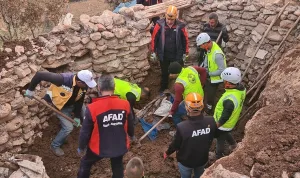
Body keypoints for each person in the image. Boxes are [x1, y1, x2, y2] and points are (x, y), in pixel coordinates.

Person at [24, 70, 97, 157]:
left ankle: (89, 137)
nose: (88, 86)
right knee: (68, 128)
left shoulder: (84, 86)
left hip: (74, 103)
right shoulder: (62, 79)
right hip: (61, 106)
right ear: (79, 82)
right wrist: (30, 89)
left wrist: (77, 116)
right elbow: (39, 74)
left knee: (86, 116)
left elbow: (80, 101)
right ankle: (54, 146)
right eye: (86, 84)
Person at [77, 74, 134, 178]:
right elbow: (131, 123)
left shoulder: (92, 108)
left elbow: (85, 132)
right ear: (114, 87)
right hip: (119, 144)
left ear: (99, 88)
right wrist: (132, 135)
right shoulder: (125, 104)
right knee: (117, 165)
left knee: (85, 163)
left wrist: (81, 147)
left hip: (99, 147)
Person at [164, 92, 218, 178]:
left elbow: (176, 144)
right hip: (202, 159)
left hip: (186, 162)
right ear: (202, 106)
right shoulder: (211, 121)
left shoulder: (182, 127)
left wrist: (167, 152)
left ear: (187, 107)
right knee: (200, 175)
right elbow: (214, 135)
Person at [151, 5, 189, 93]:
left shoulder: (180, 25)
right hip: (164, 54)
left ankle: (179, 89)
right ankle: (163, 88)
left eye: (172, 19)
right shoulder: (159, 25)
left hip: (177, 53)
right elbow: (154, 38)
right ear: (165, 16)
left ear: (175, 18)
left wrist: (186, 52)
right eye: (168, 19)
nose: (169, 21)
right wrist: (153, 51)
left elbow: (185, 39)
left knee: (179, 72)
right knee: (164, 72)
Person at [214, 67, 246, 159]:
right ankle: (233, 144)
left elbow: (225, 116)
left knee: (220, 140)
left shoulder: (230, 100)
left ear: (228, 83)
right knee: (226, 133)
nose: (223, 81)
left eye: (224, 80)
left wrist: (217, 125)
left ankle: (218, 156)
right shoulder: (241, 89)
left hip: (224, 124)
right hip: (231, 122)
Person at [167, 62, 206, 131]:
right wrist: (202, 83)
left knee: (175, 115)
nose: (170, 75)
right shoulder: (191, 68)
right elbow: (203, 70)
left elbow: (177, 100)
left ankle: (181, 131)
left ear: (175, 74)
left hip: (191, 104)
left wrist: (172, 111)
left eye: (171, 74)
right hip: (201, 97)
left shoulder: (179, 84)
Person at [196, 32, 227, 115]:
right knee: (205, 91)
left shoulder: (217, 54)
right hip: (209, 77)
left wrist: (209, 74)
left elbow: (222, 70)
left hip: (215, 80)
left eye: (201, 45)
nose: (200, 47)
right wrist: (201, 69)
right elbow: (206, 61)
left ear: (206, 43)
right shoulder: (209, 49)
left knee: (210, 96)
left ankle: (209, 110)